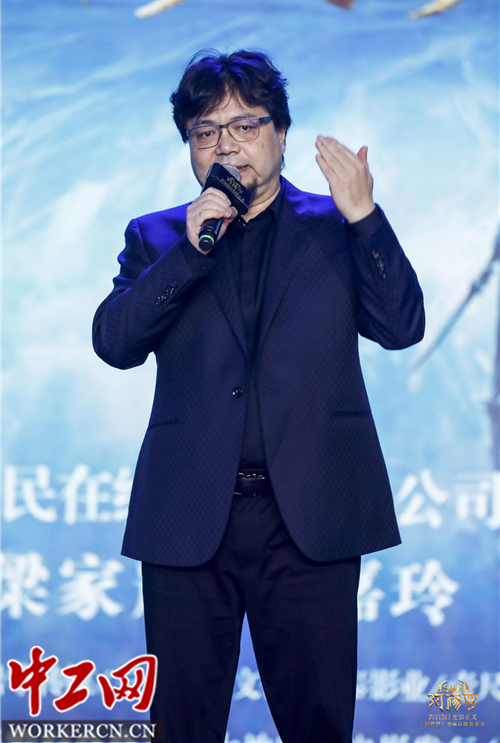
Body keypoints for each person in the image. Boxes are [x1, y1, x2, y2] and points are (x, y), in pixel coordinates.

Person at [92, 48, 425, 743]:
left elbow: (401, 328)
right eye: (205, 131)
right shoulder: (158, 235)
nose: (225, 144)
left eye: (244, 125)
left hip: (310, 515)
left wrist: (365, 215)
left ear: (281, 132)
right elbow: (115, 344)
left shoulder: (336, 226)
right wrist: (190, 252)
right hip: (187, 518)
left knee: (318, 723)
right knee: (179, 725)